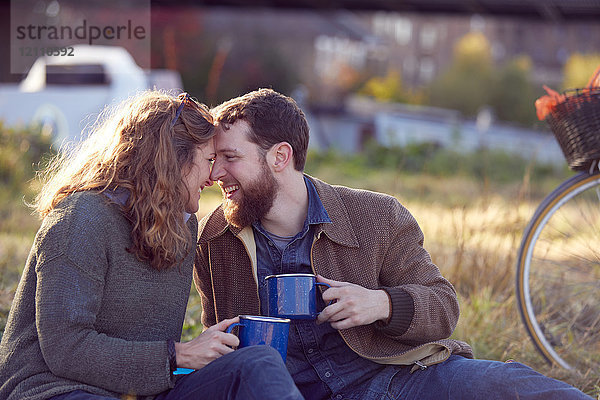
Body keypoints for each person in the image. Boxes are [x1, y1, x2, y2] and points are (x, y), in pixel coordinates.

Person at [194, 88, 593, 400]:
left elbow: (443, 307)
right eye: (213, 160)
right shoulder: (214, 238)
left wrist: (381, 304)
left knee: (509, 383)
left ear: (280, 156)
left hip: (390, 381)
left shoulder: (377, 216)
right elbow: (220, 347)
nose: (215, 174)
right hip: (283, 393)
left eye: (229, 157)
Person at [0, 91, 303, 400]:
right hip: (56, 389)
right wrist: (178, 355)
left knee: (257, 364)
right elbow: (66, 349)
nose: (213, 175)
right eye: (208, 160)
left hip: (144, 391)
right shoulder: (81, 219)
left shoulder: (183, 225)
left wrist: (197, 358)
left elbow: (157, 351)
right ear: (172, 161)